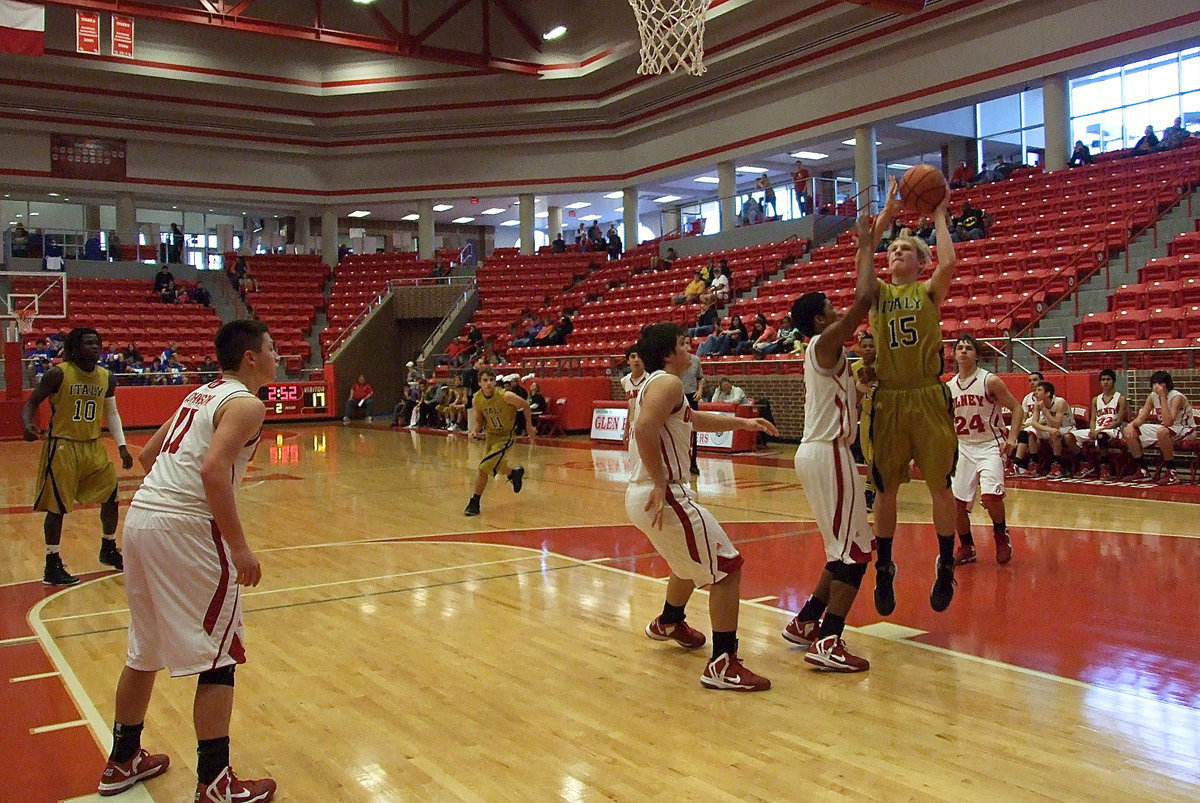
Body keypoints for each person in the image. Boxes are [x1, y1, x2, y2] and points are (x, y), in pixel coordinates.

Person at [95, 319, 277, 801]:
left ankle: (123, 759)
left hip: (142, 520)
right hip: (186, 530)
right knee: (219, 658)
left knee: (144, 649)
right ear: (250, 359)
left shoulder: (200, 393)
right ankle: (215, 781)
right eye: (272, 349)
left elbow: (150, 454)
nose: (278, 357)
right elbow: (213, 469)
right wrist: (239, 546)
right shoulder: (246, 403)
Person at [627, 322, 778, 690]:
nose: (690, 348)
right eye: (683, 343)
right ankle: (723, 664)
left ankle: (669, 621)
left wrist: (742, 421)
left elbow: (692, 419)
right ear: (667, 354)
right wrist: (662, 481)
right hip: (661, 492)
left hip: (643, 495)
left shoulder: (656, 385)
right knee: (726, 566)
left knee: (689, 562)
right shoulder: (668, 382)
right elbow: (645, 429)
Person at [782, 214, 877, 670]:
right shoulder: (823, 343)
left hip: (821, 452)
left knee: (842, 548)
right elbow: (864, 299)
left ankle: (806, 622)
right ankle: (829, 641)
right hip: (829, 453)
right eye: (831, 306)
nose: (840, 309)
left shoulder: (827, 351)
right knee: (856, 551)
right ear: (820, 318)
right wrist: (866, 246)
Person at [862, 176, 960, 616]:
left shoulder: (927, 292)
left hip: (926, 396)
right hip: (889, 399)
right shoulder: (877, 294)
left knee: (941, 487)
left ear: (920, 262)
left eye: (904, 249)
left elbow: (950, 265)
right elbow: (864, 263)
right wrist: (885, 220)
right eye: (892, 249)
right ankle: (884, 567)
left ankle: (946, 562)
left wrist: (938, 215)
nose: (895, 252)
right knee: (886, 491)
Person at [22, 327, 133, 586]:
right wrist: (26, 424)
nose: (94, 347)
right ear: (74, 347)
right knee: (57, 507)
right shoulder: (59, 374)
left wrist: (122, 446)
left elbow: (112, 413)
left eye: (97, 342)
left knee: (111, 494)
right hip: (62, 445)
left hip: (92, 445)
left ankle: (108, 547)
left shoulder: (107, 377)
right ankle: (52, 563)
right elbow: (31, 402)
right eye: (87, 343)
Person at [947, 334, 1025, 566]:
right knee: (956, 504)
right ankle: (967, 546)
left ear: (977, 355)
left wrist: (1011, 438)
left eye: (968, 348)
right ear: (954, 353)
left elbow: (1017, 408)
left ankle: (1001, 535)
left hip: (989, 445)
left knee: (991, 498)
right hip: (963, 446)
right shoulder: (949, 387)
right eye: (959, 348)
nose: (963, 351)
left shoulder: (990, 381)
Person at [464, 368, 534, 516]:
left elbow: (525, 405)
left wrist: (529, 426)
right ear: (479, 383)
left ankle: (474, 502)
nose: (488, 383)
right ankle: (513, 473)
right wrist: (474, 431)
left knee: (484, 467)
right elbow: (479, 421)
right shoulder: (477, 399)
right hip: (491, 437)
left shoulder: (505, 396)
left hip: (505, 436)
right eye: (485, 380)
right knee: (498, 466)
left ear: (495, 382)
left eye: (491, 380)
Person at [1123, 370, 1195, 485]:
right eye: (1154, 383)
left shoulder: (1176, 397)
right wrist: (1131, 425)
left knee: (1162, 432)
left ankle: (1172, 472)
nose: (1156, 386)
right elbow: (1141, 418)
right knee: (1128, 431)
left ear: (1167, 384)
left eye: (1159, 383)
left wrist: (1162, 397)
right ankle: (1143, 470)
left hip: (1185, 429)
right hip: (1166, 428)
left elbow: (1168, 421)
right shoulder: (1152, 397)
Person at [1068, 368, 1128, 480]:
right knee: (1068, 437)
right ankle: (1085, 463)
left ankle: (1105, 467)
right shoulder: (1096, 399)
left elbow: (1119, 421)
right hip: (1097, 429)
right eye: (1103, 379)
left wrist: (1099, 431)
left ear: (1113, 381)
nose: (1105, 382)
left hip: (1112, 430)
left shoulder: (1120, 398)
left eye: (1108, 379)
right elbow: (1092, 419)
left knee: (1101, 437)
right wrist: (1092, 430)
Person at [849, 330, 877, 510]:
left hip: (883, 416)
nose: (868, 349)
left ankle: (869, 492)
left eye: (871, 346)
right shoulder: (855, 367)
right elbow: (855, 396)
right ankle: (877, 486)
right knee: (868, 457)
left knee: (875, 457)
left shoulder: (884, 365)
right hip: (866, 415)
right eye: (864, 346)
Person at [1025, 380, 1073, 478]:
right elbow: (1034, 423)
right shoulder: (1037, 403)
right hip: (1050, 428)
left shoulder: (1060, 402)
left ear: (1047, 393)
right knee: (1031, 432)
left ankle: (1057, 465)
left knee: (1055, 433)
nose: (1035, 392)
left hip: (1067, 428)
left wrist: (1044, 409)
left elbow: (1056, 424)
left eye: (1039, 390)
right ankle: (1033, 463)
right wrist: (1048, 429)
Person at [680, 335, 705, 475]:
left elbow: (700, 378)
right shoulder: (675, 361)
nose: (687, 346)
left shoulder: (695, 360)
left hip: (692, 396)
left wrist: (700, 390)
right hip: (678, 396)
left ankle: (693, 462)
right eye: (684, 343)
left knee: (693, 430)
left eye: (688, 343)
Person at [621, 345, 647, 446]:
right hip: (633, 426)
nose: (636, 360)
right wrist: (626, 430)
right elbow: (630, 406)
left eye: (639, 357)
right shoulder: (624, 381)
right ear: (627, 361)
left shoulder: (650, 378)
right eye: (633, 357)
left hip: (647, 426)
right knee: (634, 461)